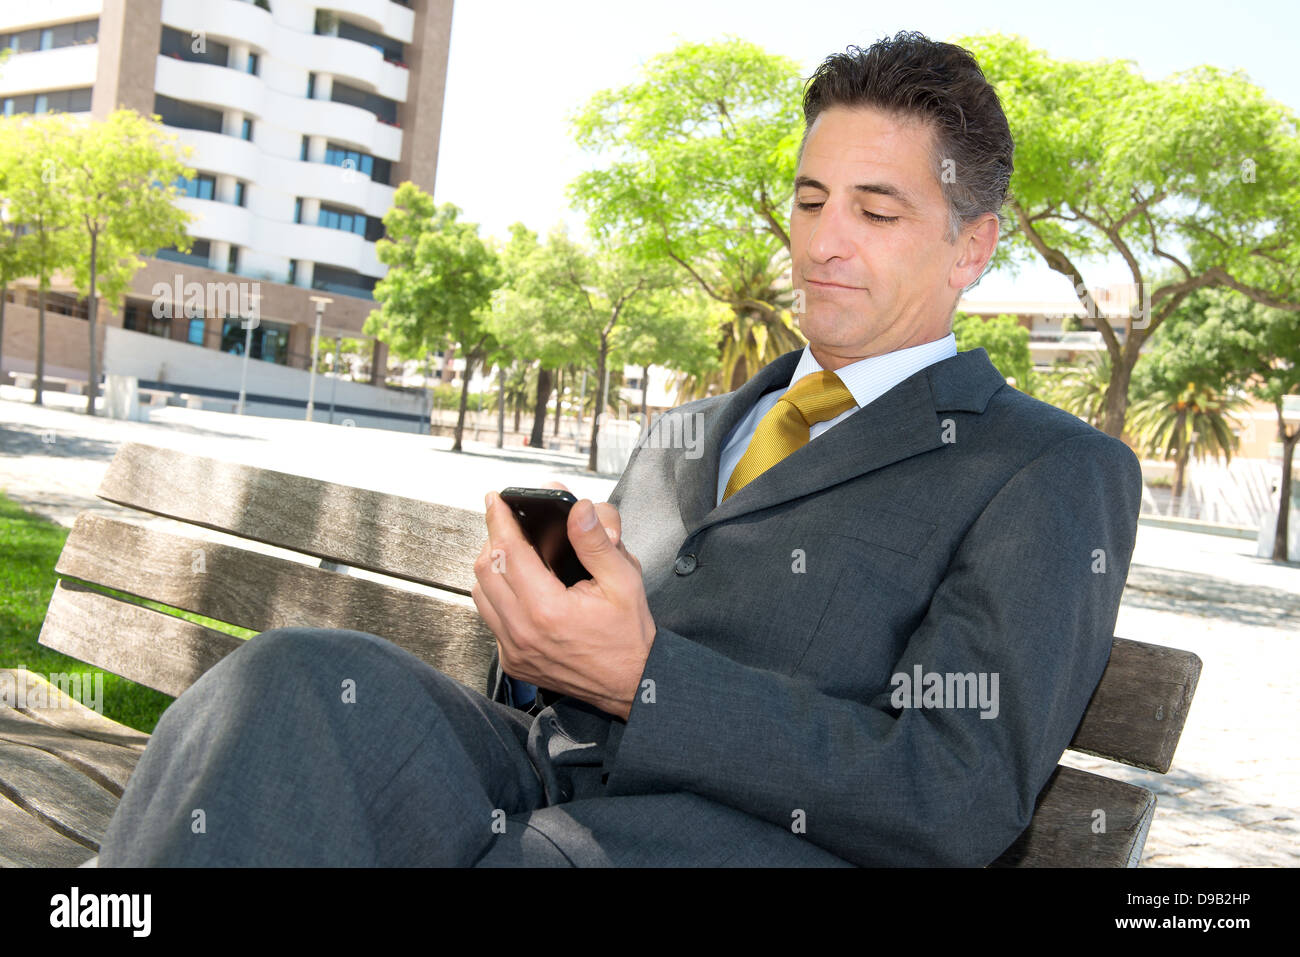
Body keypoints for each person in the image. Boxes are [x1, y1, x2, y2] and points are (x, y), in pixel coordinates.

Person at [97, 31, 1140, 867]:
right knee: (287, 683)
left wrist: (648, 678)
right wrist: (536, 635)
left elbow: (957, 795)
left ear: (971, 246)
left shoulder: (1040, 470)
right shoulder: (690, 431)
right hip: (532, 781)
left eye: (876, 209)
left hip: (735, 840)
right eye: (810, 199)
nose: (823, 241)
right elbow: (571, 665)